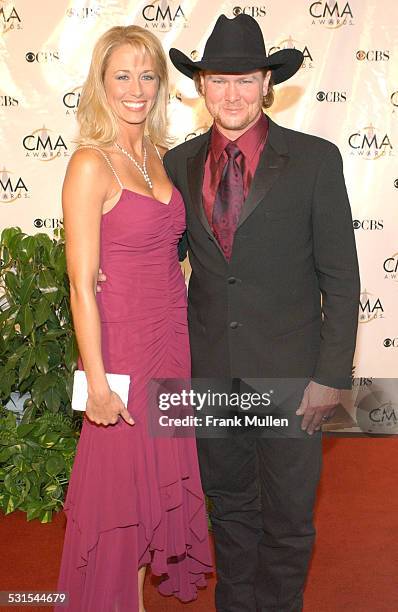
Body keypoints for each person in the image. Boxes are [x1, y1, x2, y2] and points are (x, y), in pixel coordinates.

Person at [98, 13, 360, 612]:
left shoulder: (316, 160)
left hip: (294, 379)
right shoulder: (179, 164)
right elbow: (160, 250)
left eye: (246, 79)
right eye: (218, 80)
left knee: (289, 519)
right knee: (233, 512)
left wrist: (331, 378)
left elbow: (342, 280)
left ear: (268, 83)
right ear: (200, 87)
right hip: (211, 372)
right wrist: (104, 266)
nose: (232, 93)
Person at [55, 25, 212, 612]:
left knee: (154, 490)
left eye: (148, 75)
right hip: (120, 349)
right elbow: (80, 283)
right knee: (119, 498)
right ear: (100, 83)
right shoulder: (90, 164)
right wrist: (95, 381)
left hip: (171, 339)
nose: (137, 87)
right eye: (122, 74)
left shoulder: (157, 157)